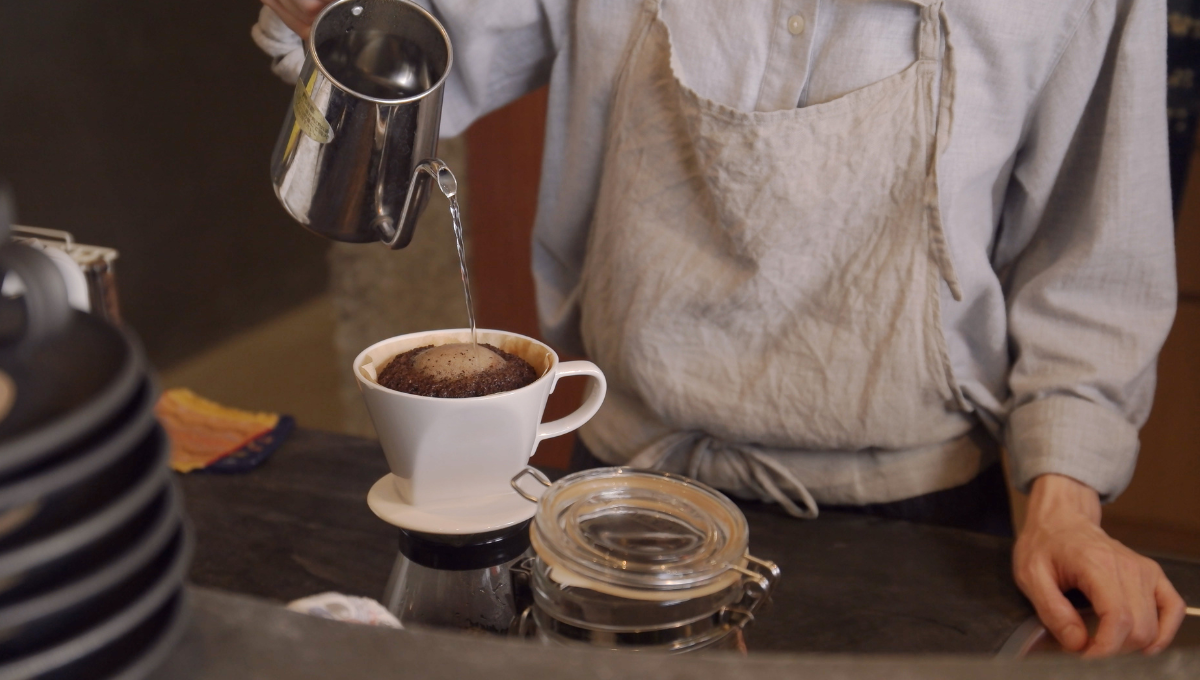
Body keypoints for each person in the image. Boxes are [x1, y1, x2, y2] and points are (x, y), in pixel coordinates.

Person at [254, 0, 1187, 656]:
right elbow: (411, 46)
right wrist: (329, 17)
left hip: (919, 530)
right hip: (616, 508)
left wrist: (1067, 506)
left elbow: (1094, 256)